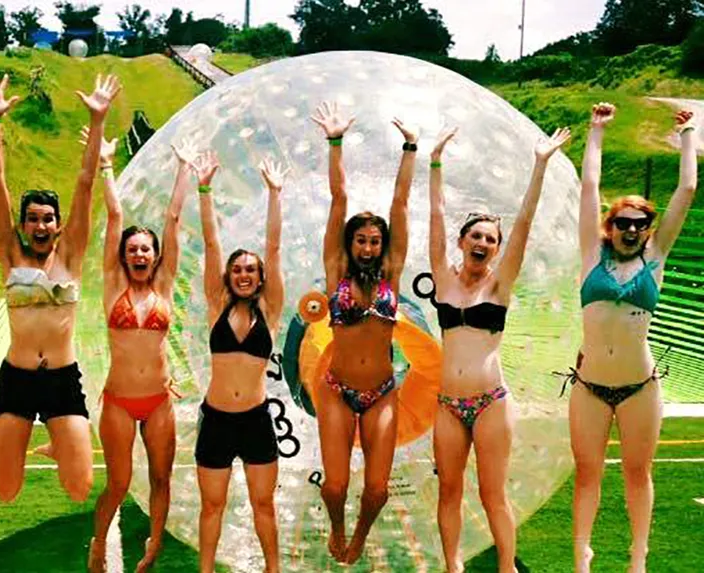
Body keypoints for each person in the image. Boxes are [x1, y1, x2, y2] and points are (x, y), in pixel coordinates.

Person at [428, 124, 570, 572]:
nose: (484, 243)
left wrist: (540, 164)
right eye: (477, 236)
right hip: (448, 403)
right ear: (462, 241)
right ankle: (454, 567)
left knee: (493, 494)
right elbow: (434, 216)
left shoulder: (500, 283)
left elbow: (524, 224)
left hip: (491, 402)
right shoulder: (444, 278)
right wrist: (433, 161)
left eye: (491, 239)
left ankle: (506, 567)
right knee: (448, 491)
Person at [0, 72, 121, 503]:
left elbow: (85, 181)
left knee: (79, 488)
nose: (41, 225)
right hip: (16, 379)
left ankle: (60, 441)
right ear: (23, 225)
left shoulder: (71, 256)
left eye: (48, 218)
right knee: (5, 490)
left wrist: (97, 122)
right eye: (33, 218)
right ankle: (52, 439)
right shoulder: (11, 255)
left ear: (58, 226)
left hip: (61, 379)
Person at [565, 104, 697, 573]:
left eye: (641, 223)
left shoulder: (655, 258)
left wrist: (686, 136)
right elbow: (589, 188)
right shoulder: (590, 253)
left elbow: (687, 188)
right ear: (610, 226)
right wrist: (595, 130)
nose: (633, 229)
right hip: (589, 388)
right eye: (624, 222)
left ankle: (637, 558)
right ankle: (582, 555)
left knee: (639, 474)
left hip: (641, 387)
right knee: (588, 475)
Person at [309, 100, 417, 564]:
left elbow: (401, 204)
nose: (369, 247)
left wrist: (410, 147)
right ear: (350, 243)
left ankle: (359, 535)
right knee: (335, 485)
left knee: (376, 489)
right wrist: (335, 143)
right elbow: (339, 200)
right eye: (361, 240)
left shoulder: (392, 272)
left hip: (382, 393)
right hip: (336, 390)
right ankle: (336, 524)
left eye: (375, 240)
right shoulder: (336, 273)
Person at [87, 129, 197, 572]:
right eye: (131, 249)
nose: (138, 254)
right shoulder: (114, 285)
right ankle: (98, 544)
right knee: (117, 482)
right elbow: (115, 214)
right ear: (124, 256)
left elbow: (172, 220)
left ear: (155, 257)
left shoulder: (164, 287)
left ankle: (153, 546)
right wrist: (107, 165)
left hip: (158, 402)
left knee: (160, 478)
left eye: (145, 250)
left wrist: (184, 169)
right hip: (118, 400)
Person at [193, 150, 288, 573]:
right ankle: (206, 569)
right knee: (211, 505)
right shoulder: (216, 307)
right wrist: (205, 188)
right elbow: (212, 242)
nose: (245, 274)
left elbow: (274, 245)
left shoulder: (270, 311)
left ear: (261, 275)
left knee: (262, 504)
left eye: (252, 269)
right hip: (215, 420)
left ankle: (273, 569)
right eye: (238, 269)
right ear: (228, 276)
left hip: (254, 421)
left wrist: (274, 194)